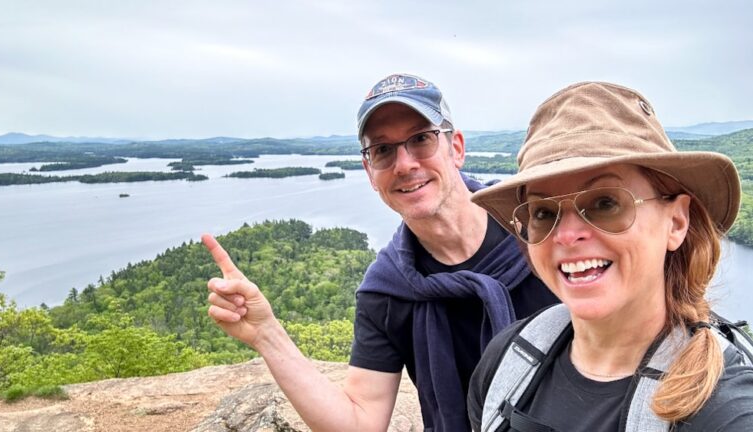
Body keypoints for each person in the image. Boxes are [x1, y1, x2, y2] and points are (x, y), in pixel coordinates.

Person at [203, 73, 558, 432]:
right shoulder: (389, 290)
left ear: (457, 148)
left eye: (421, 139)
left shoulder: (538, 228)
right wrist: (267, 334)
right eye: (383, 150)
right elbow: (359, 422)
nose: (404, 165)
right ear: (370, 172)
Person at [467, 81, 753, 431]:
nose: (566, 235)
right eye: (543, 212)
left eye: (605, 203)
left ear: (676, 222)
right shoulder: (506, 365)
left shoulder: (726, 413)